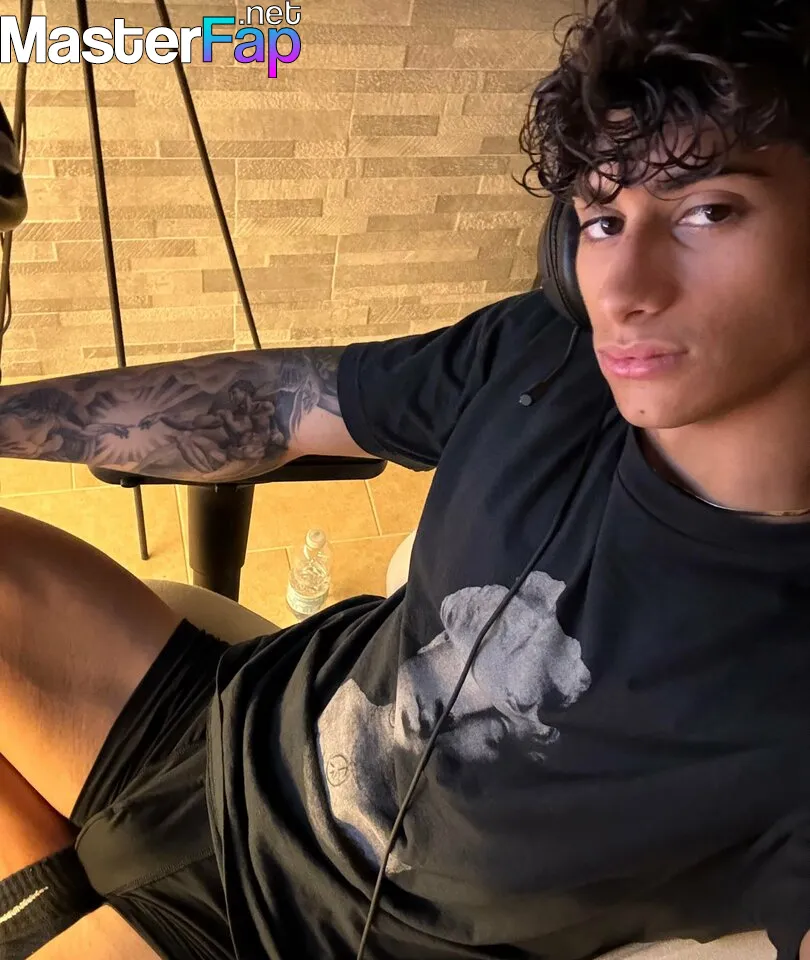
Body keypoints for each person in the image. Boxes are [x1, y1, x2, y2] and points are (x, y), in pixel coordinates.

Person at [0, 0, 809, 957]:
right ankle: (47, 898)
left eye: (708, 210)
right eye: (601, 219)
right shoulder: (547, 351)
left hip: (298, 936)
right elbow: (280, 402)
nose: (624, 289)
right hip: (226, 719)